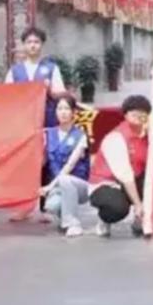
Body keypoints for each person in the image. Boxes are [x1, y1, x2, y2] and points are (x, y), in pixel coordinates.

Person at [5, 27, 67, 222]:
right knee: (22, 163)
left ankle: (44, 207)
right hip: (22, 124)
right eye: (29, 42)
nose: (33, 45)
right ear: (23, 45)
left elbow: (60, 94)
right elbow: (6, 95)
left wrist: (49, 89)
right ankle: (23, 206)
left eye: (36, 42)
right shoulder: (15, 70)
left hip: (46, 121)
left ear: (42, 45)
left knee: (45, 163)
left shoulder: (51, 68)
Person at [88, 95, 150, 238]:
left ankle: (140, 221)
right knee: (117, 208)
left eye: (143, 112)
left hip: (134, 179)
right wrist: (138, 204)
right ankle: (104, 220)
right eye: (133, 111)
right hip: (106, 183)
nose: (138, 115)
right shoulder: (116, 138)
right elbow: (125, 175)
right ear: (125, 115)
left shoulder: (148, 135)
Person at [39, 96, 91, 238]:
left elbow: (69, 165)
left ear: (74, 112)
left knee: (65, 179)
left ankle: (73, 224)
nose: (63, 112)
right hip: (58, 186)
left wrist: (49, 187)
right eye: (60, 108)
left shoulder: (81, 136)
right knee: (51, 206)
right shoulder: (48, 134)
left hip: (79, 186)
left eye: (67, 109)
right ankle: (67, 214)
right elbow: (42, 161)